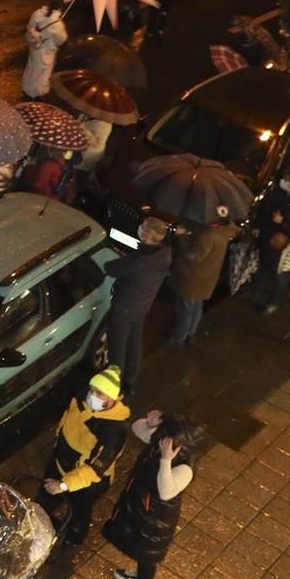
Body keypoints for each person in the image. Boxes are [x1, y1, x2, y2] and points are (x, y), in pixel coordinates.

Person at [104, 411, 203, 579]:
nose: (162, 439)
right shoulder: (162, 443)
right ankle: (140, 578)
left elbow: (166, 491)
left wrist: (165, 461)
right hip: (144, 509)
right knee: (142, 550)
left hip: (156, 518)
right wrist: (150, 424)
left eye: (167, 436)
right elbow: (137, 429)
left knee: (147, 554)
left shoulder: (184, 467)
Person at [40, 365, 132, 554]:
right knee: (43, 499)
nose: (92, 395)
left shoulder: (113, 430)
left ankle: (73, 540)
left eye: (99, 393)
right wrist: (59, 440)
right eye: (92, 390)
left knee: (79, 513)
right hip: (60, 462)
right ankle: (39, 522)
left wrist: (64, 485)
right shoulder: (83, 395)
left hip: (87, 481)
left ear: (111, 399)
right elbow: (68, 415)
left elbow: (94, 469)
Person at [104, 217, 173, 395]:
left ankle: (113, 385)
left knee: (117, 350)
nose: (139, 228)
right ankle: (130, 382)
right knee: (134, 343)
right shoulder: (165, 254)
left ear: (148, 235)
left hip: (123, 309)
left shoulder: (138, 263)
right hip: (142, 306)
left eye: (142, 227)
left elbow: (110, 267)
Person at [249, 172, 290, 314]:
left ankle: (273, 302)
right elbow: (264, 210)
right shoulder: (277, 193)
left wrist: (282, 223)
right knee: (262, 268)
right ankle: (254, 293)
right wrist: (258, 226)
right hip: (267, 239)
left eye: (287, 180)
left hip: (284, 248)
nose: (283, 182)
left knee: (280, 277)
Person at [167, 218, 234, 347]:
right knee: (196, 306)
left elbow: (194, 256)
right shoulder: (224, 231)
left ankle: (178, 338)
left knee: (184, 310)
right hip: (205, 278)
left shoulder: (208, 234)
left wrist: (182, 237)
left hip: (192, 279)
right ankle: (191, 333)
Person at [21, 2, 68, 100]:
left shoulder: (37, 13)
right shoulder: (57, 24)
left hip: (34, 45)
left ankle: (27, 88)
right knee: (42, 73)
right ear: (60, 9)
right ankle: (36, 94)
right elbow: (61, 40)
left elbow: (30, 26)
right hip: (46, 51)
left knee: (32, 68)